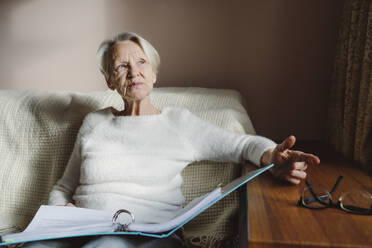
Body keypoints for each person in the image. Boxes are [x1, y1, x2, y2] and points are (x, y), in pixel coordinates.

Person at [23, 32, 320, 248]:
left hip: (149, 237)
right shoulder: (94, 123)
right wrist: (61, 213)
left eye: (141, 63)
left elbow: (242, 145)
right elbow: (63, 187)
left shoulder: (178, 124)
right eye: (121, 67)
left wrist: (273, 156)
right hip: (79, 231)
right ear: (110, 81)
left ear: (153, 74)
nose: (134, 72)